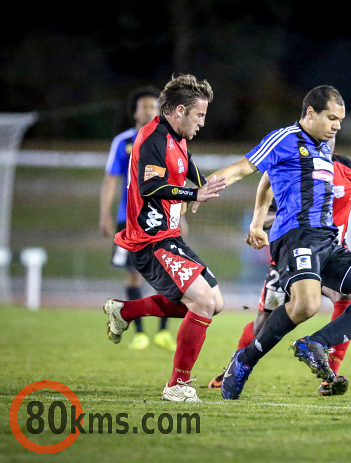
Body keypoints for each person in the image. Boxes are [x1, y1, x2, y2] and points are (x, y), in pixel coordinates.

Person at [193, 85, 351, 400]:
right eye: (332, 118)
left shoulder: (325, 148)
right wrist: (200, 190)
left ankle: (316, 344)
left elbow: (269, 181)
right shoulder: (285, 138)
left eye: (340, 120)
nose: (337, 126)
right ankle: (244, 361)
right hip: (294, 237)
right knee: (307, 304)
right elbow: (245, 169)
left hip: (328, 242)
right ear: (311, 113)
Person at [207, 136, 351, 395]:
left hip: (331, 254)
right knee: (263, 323)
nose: (329, 138)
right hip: (294, 255)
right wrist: (261, 224)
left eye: (335, 131)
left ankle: (328, 374)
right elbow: (270, 208)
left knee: (347, 296)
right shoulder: (298, 172)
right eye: (327, 128)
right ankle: (235, 364)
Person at [102, 74, 228, 403]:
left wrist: (202, 187)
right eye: (199, 115)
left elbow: (187, 166)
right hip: (150, 240)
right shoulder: (153, 138)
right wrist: (193, 192)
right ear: (179, 111)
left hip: (170, 236)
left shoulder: (177, 137)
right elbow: (149, 187)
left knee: (216, 304)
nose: (202, 122)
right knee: (201, 301)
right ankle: (177, 385)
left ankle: (125, 311)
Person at [99, 86, 177, 352]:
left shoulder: (166, 139)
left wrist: (179, 216)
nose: (150, 111)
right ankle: (140, 333)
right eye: (145, 106)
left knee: (169, 273)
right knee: (133, 275)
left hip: (161, 218)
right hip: (129, 219)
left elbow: (173, 181)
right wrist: (105, 214)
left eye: (154, 107)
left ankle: (164, 332)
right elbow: (111, 179)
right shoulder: (124, 142)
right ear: (135, 111)